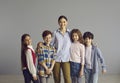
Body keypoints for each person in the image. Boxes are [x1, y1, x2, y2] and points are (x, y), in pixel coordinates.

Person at [51, 15, 71, 83]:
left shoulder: (70, 33)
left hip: (66, 58)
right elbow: (50, 44)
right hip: (56, 59)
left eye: (64, 22)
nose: (62, 23)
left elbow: (77, 41)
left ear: (67, 22)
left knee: (67, 79)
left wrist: (91, 44)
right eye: (60, 22)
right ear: (58, 23)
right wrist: (41, 44)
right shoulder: (55, 33)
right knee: (56, 78)